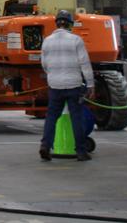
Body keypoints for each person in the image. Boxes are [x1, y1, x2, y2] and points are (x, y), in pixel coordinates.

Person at [39, 9, 94, 162]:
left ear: (56, 23)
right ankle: (81, 152)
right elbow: (84, 64)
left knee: (51, 117)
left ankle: (45, 145)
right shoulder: (76, 40)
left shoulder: (47, 41)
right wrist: (90, 84)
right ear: (70, 24)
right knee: (76, 117)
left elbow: (44, 64)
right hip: (73, 85)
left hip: (55, 85)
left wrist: (54, 75)